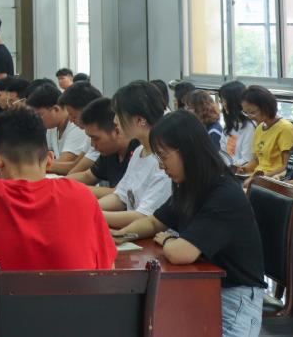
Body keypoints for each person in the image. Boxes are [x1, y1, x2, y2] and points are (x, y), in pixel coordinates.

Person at [113, 110, 266, 337]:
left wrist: (169, 240)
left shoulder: (224, 194)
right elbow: (154, 222)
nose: (161, 166)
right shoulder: (190, 184)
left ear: (187, 150)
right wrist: (120, 237)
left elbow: (180, 253)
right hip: (203, 287)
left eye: (163, 156)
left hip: (235, 299)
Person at [0, 108, 116, 285]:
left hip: (5, 303)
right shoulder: (81, 195)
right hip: (77, 301)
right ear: (49, 159)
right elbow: (107, 270)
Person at [98, 81, 171, 229]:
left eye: (119, 115)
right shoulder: (139, 151)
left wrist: (93, 214)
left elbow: (144, 216)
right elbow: (121, 197)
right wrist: (90, 207)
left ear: (140, 120)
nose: (114, 121)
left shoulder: (164, 161)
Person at [67, 98, 140, 199]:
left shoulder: (139, 152)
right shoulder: (109, 152)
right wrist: (57, 183)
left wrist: (73, 189)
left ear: (117, 131)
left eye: (95, 138)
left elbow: (121, 193)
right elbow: (88, 176)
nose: (93, 145)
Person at [25, 85, 89, 176]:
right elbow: (47, 156)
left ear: (56, 109)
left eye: (40, 115)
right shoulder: (52, 126)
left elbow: (65, 164)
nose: (37, 120)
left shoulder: (77, 126)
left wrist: (28, 166)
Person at [236, 85, 293, 178]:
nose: (249, 117)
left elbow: (288, 166)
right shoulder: (260, 127)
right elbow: (258, 160)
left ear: (266, 107)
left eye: (252, 112)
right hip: (258, 178)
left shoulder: (285, 128)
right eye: (246, 112)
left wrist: (258, 179)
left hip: (273, 180)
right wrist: (245, 169)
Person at [57, 81, 104, 176]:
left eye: (74, 116)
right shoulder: (90, 135)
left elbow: (81, 173)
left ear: (88, 110)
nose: (71, 121)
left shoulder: (100, 136)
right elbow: (76, 165)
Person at [217, 81, 254, 169]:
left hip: (241, 172)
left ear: (233, 101)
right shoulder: (230, 125)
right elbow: (223, 152)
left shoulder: (250, 127)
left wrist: (228, 167)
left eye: (223, 100)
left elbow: (247, 159)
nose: (221, 103)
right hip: (228, 170)